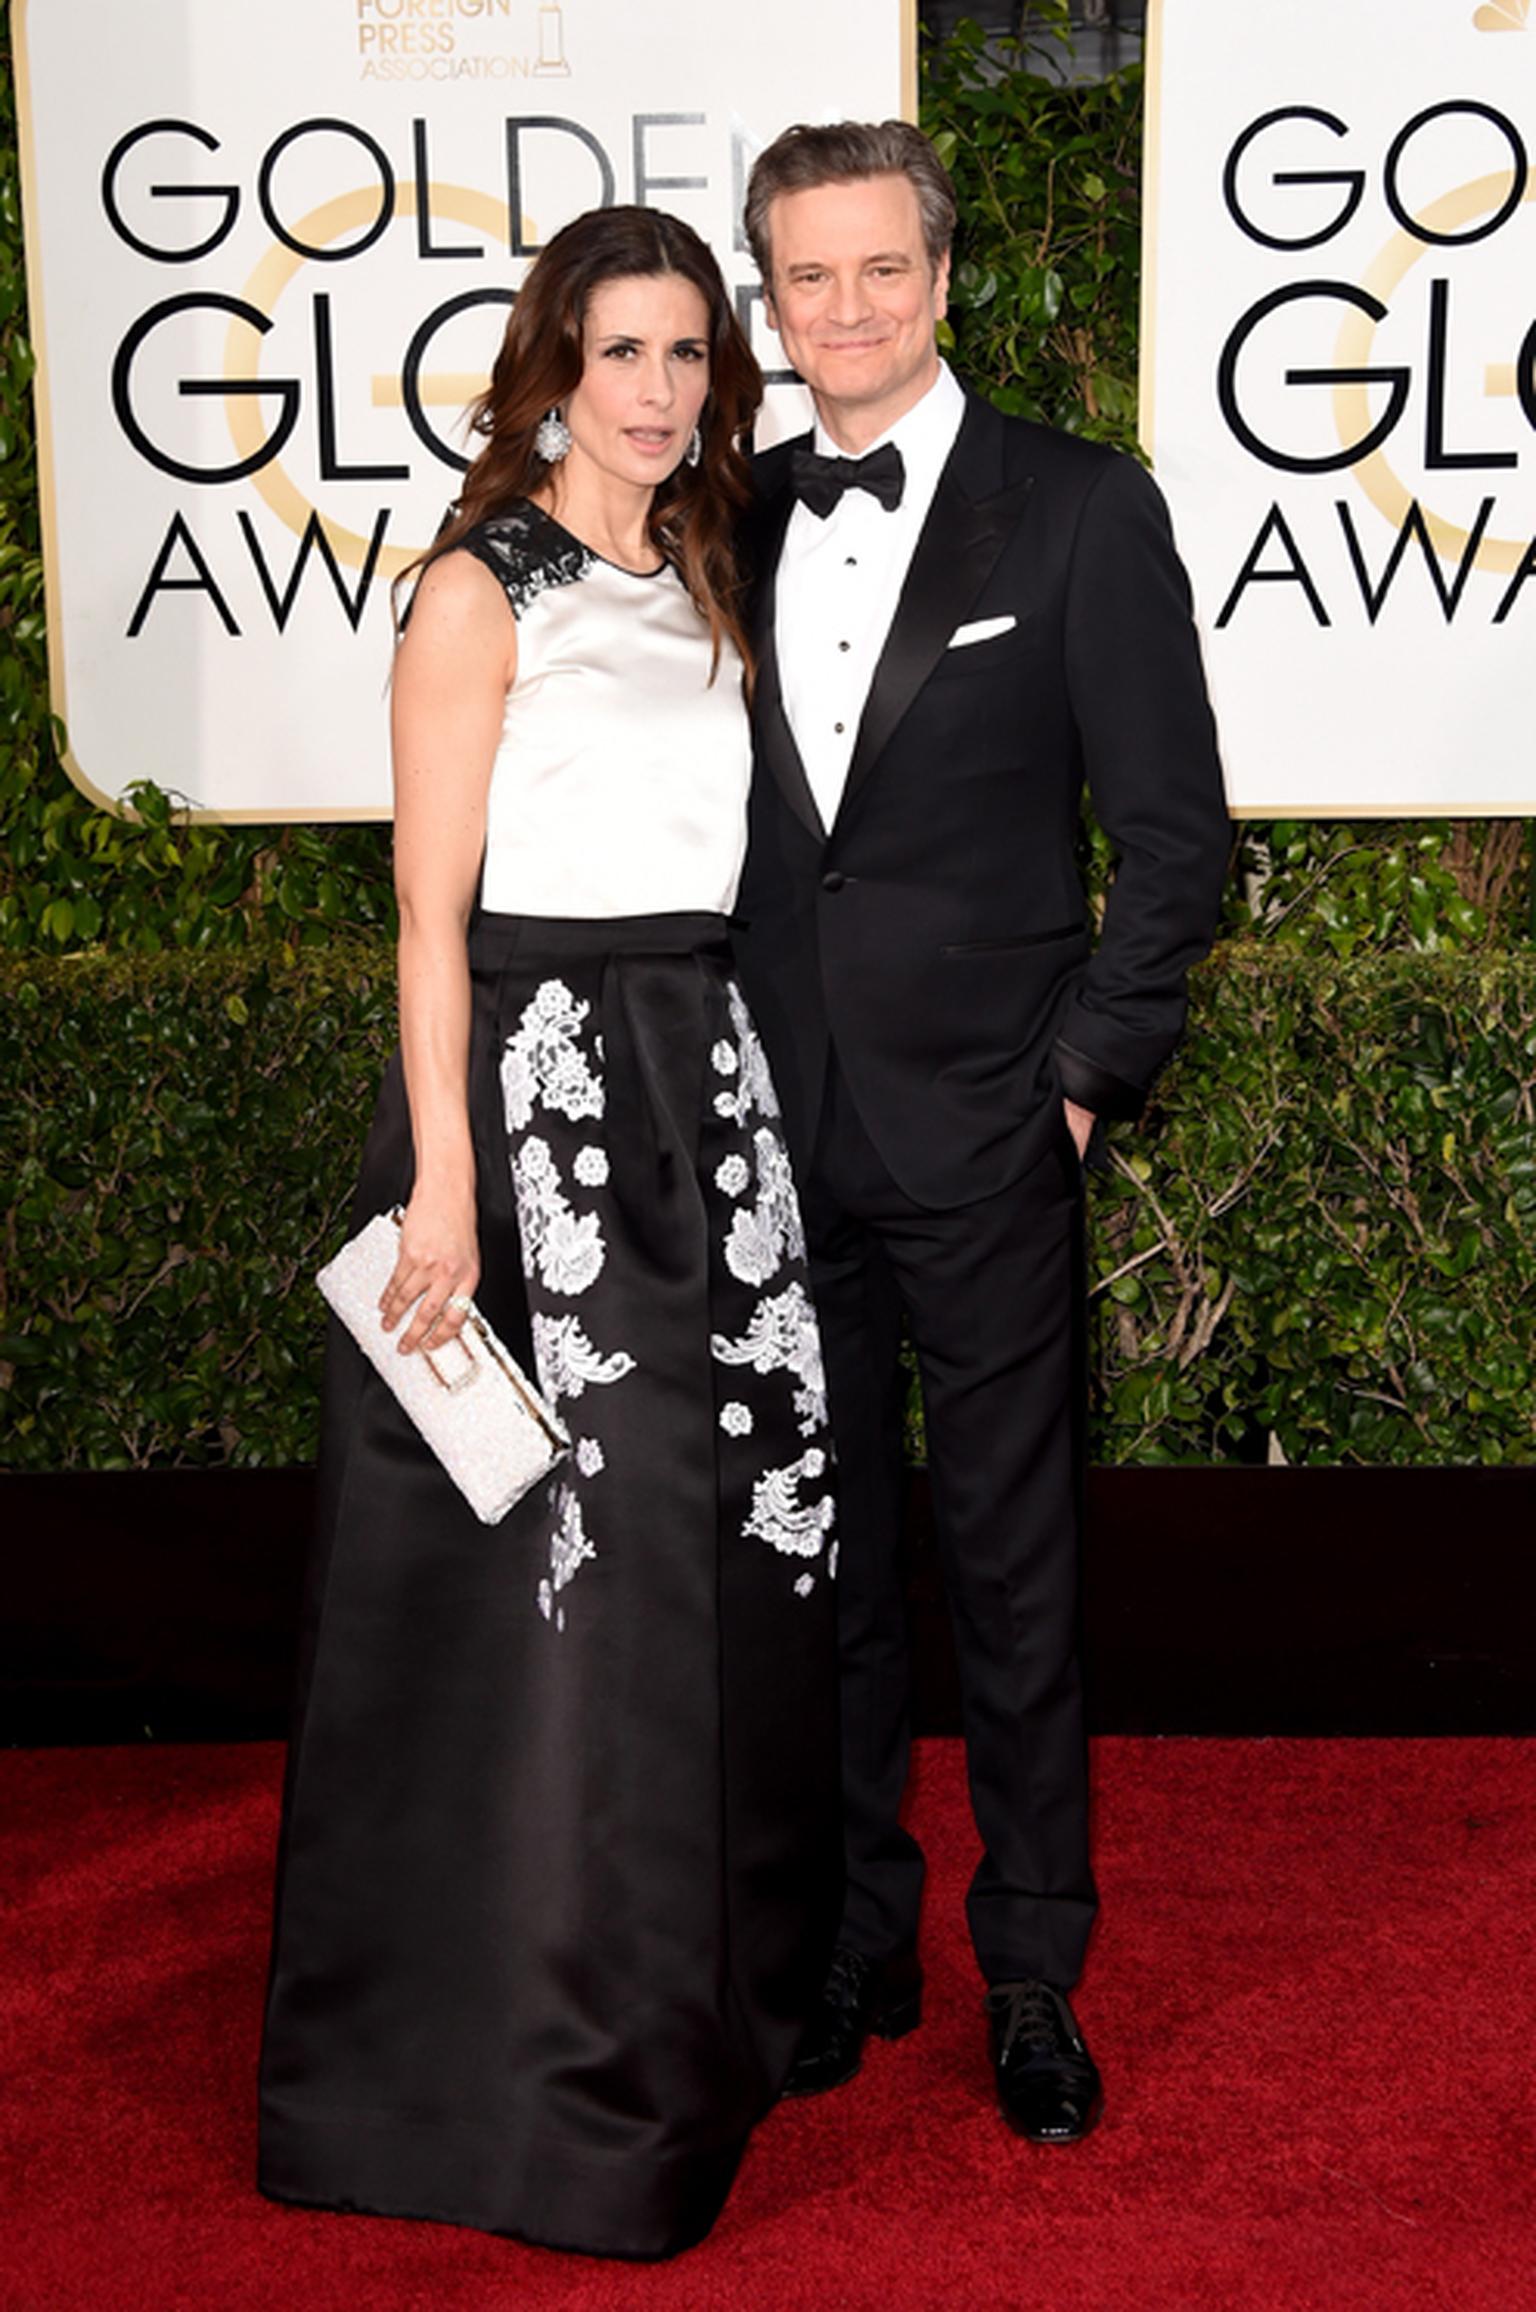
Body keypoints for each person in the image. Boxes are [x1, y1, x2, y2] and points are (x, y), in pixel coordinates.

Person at [258, 205, 841, 2261]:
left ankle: (710, 2007)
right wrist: (443, 1180)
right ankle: (523, 2067)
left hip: (710, 1091)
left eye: (693, 353)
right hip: (537, 1106)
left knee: (725, 1565)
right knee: (552, 1605)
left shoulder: (697, 563)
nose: (665, 390)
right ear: (551, 366)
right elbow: (426, 914)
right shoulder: (474, 585)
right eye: (625, 353)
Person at [731, 122, 1230, 2143]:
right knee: (821, 1561)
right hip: (774, 1129)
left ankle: (1035, 1962)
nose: (844, 309)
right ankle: (861, 1930)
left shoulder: (1085, 512)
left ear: (944, 279)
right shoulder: (721, 514)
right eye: (806, 279)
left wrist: (1087, 1079)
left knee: (1017, 1570)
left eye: (878, 269)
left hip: (995, 1133)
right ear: (772, 303)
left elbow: (1179, 839)